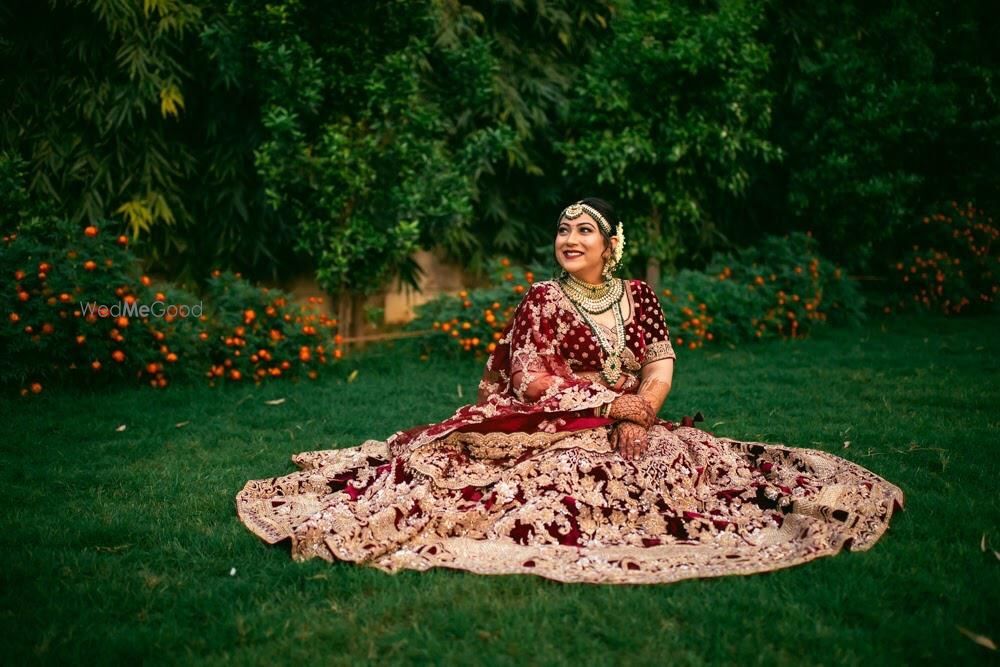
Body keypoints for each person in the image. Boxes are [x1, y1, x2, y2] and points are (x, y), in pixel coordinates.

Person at [236, 197, 905, 585]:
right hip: (550, 422)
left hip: (631, 414)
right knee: (551, 482)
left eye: (584, 229)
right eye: (563, 229)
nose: (569, 238)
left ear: (612, 242)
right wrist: (608, 406)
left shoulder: (639, 296)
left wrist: (643, 412)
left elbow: (660, 361)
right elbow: (528, 378)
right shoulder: (542, 300)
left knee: (689, 468)